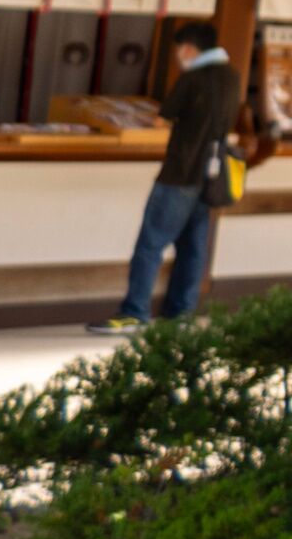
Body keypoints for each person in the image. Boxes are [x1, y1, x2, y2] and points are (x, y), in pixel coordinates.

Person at [92, 22, 242, 333]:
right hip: (212, 174)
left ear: (188, 49)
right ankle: (181, 314)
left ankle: (135, 311)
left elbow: (163, 120)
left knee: (151, 243)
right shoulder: (231, 76)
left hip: (180, 172)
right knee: (193, 247)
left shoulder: (192, 78)